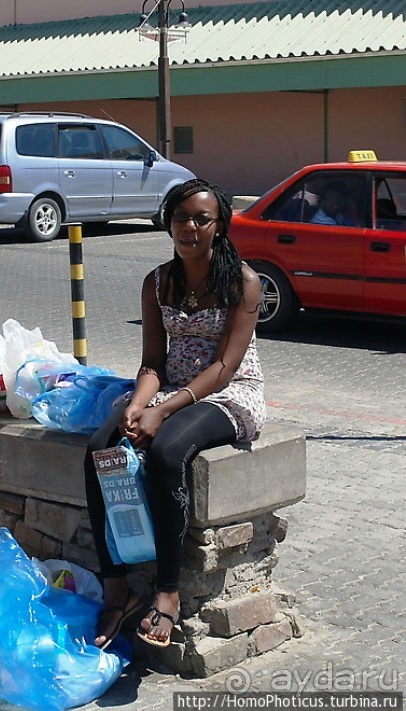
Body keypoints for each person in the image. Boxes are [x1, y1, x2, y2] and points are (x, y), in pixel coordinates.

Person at [84, 178, 265, 648]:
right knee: (98, 449)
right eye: (181, 217)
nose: (189, 227)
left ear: (219, 226)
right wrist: (140, 405)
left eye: (201, 219)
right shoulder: (158, 281)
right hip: (166, 391)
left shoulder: (243, 283)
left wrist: (162, 412)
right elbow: (151, 362)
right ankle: (117, 588)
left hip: (225, 395)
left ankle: (167, 592)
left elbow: (225, 368)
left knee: (166, 453)